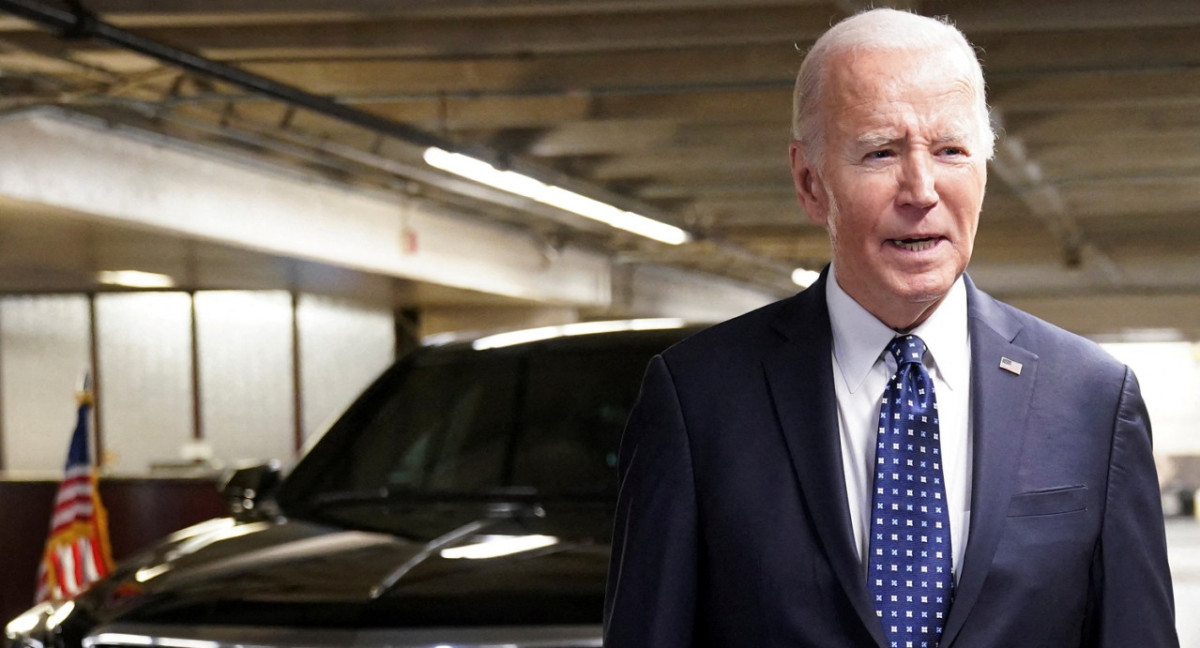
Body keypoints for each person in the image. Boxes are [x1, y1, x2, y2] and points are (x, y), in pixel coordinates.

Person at [603, 8, 1178, 648]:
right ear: (809, 181)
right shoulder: (696, 399)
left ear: (983, 171)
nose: (921, 190)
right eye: (881, 152)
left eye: (950, 150)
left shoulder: (1093, 399)